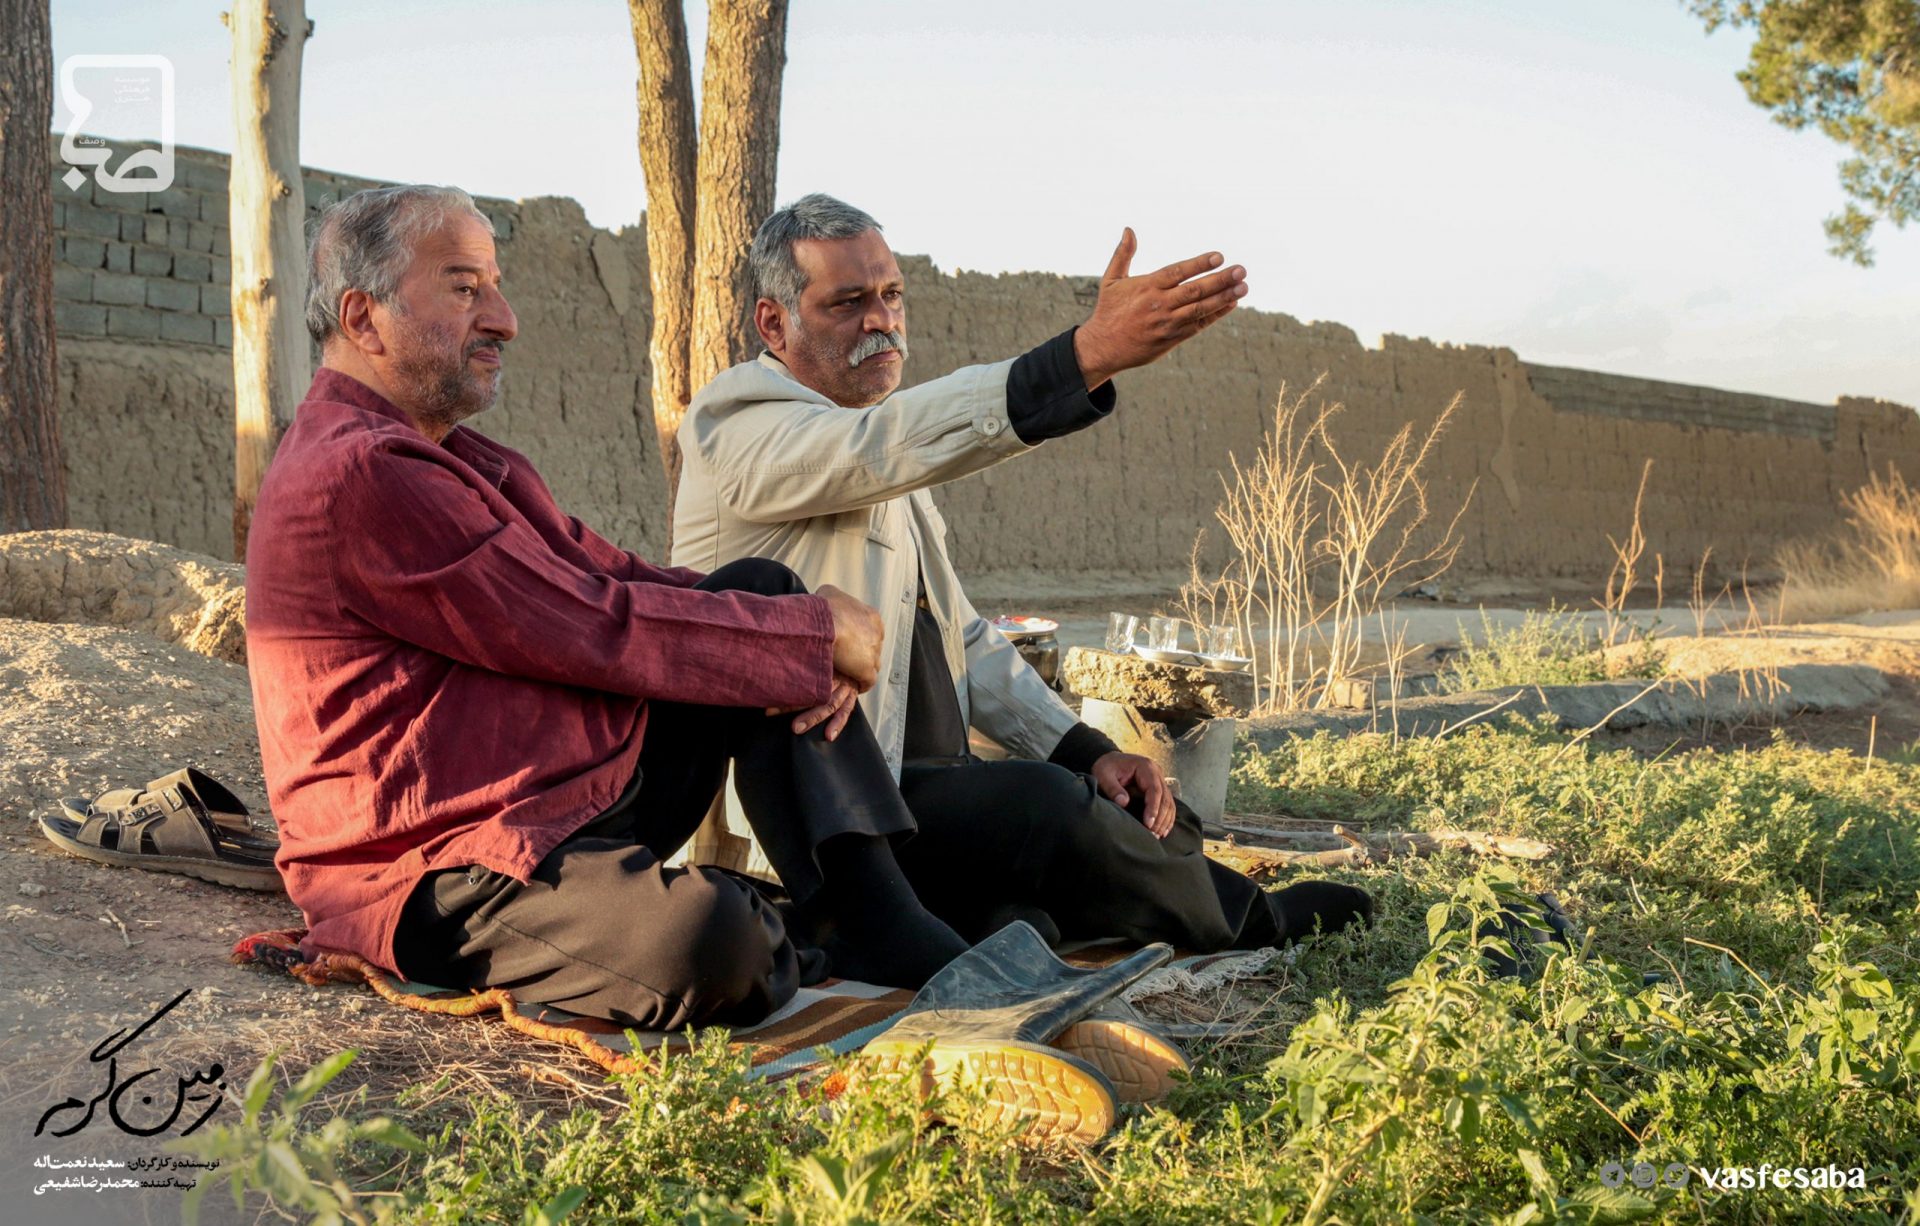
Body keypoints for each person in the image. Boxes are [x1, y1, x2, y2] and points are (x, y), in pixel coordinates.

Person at [246, 184, 1010, 1032]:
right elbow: (586, 624)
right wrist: (812, 639)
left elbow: (623, 581)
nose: (503, 318)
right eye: (466, 288)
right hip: (435, 864)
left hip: (547, 798)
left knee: (758, 590)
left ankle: (874, 917)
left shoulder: (462, 461)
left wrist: (797, 633)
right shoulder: (359, 475)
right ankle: (785, 927)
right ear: (362, 316)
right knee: (714, 945)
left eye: (493, 286)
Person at [671, 194, 1374, 956]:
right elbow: (880, 446)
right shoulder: (737, 425)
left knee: (1106, 810)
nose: (881, 320)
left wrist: (1087, 750)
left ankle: (1017, 919)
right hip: (828, 813)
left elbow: (965, 640)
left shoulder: (880, 443)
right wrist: (1085, 356)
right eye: (848, 303)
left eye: (891, 295)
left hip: (923, 788)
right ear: (774, 323)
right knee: (1048, 810)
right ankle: (1257, 924)